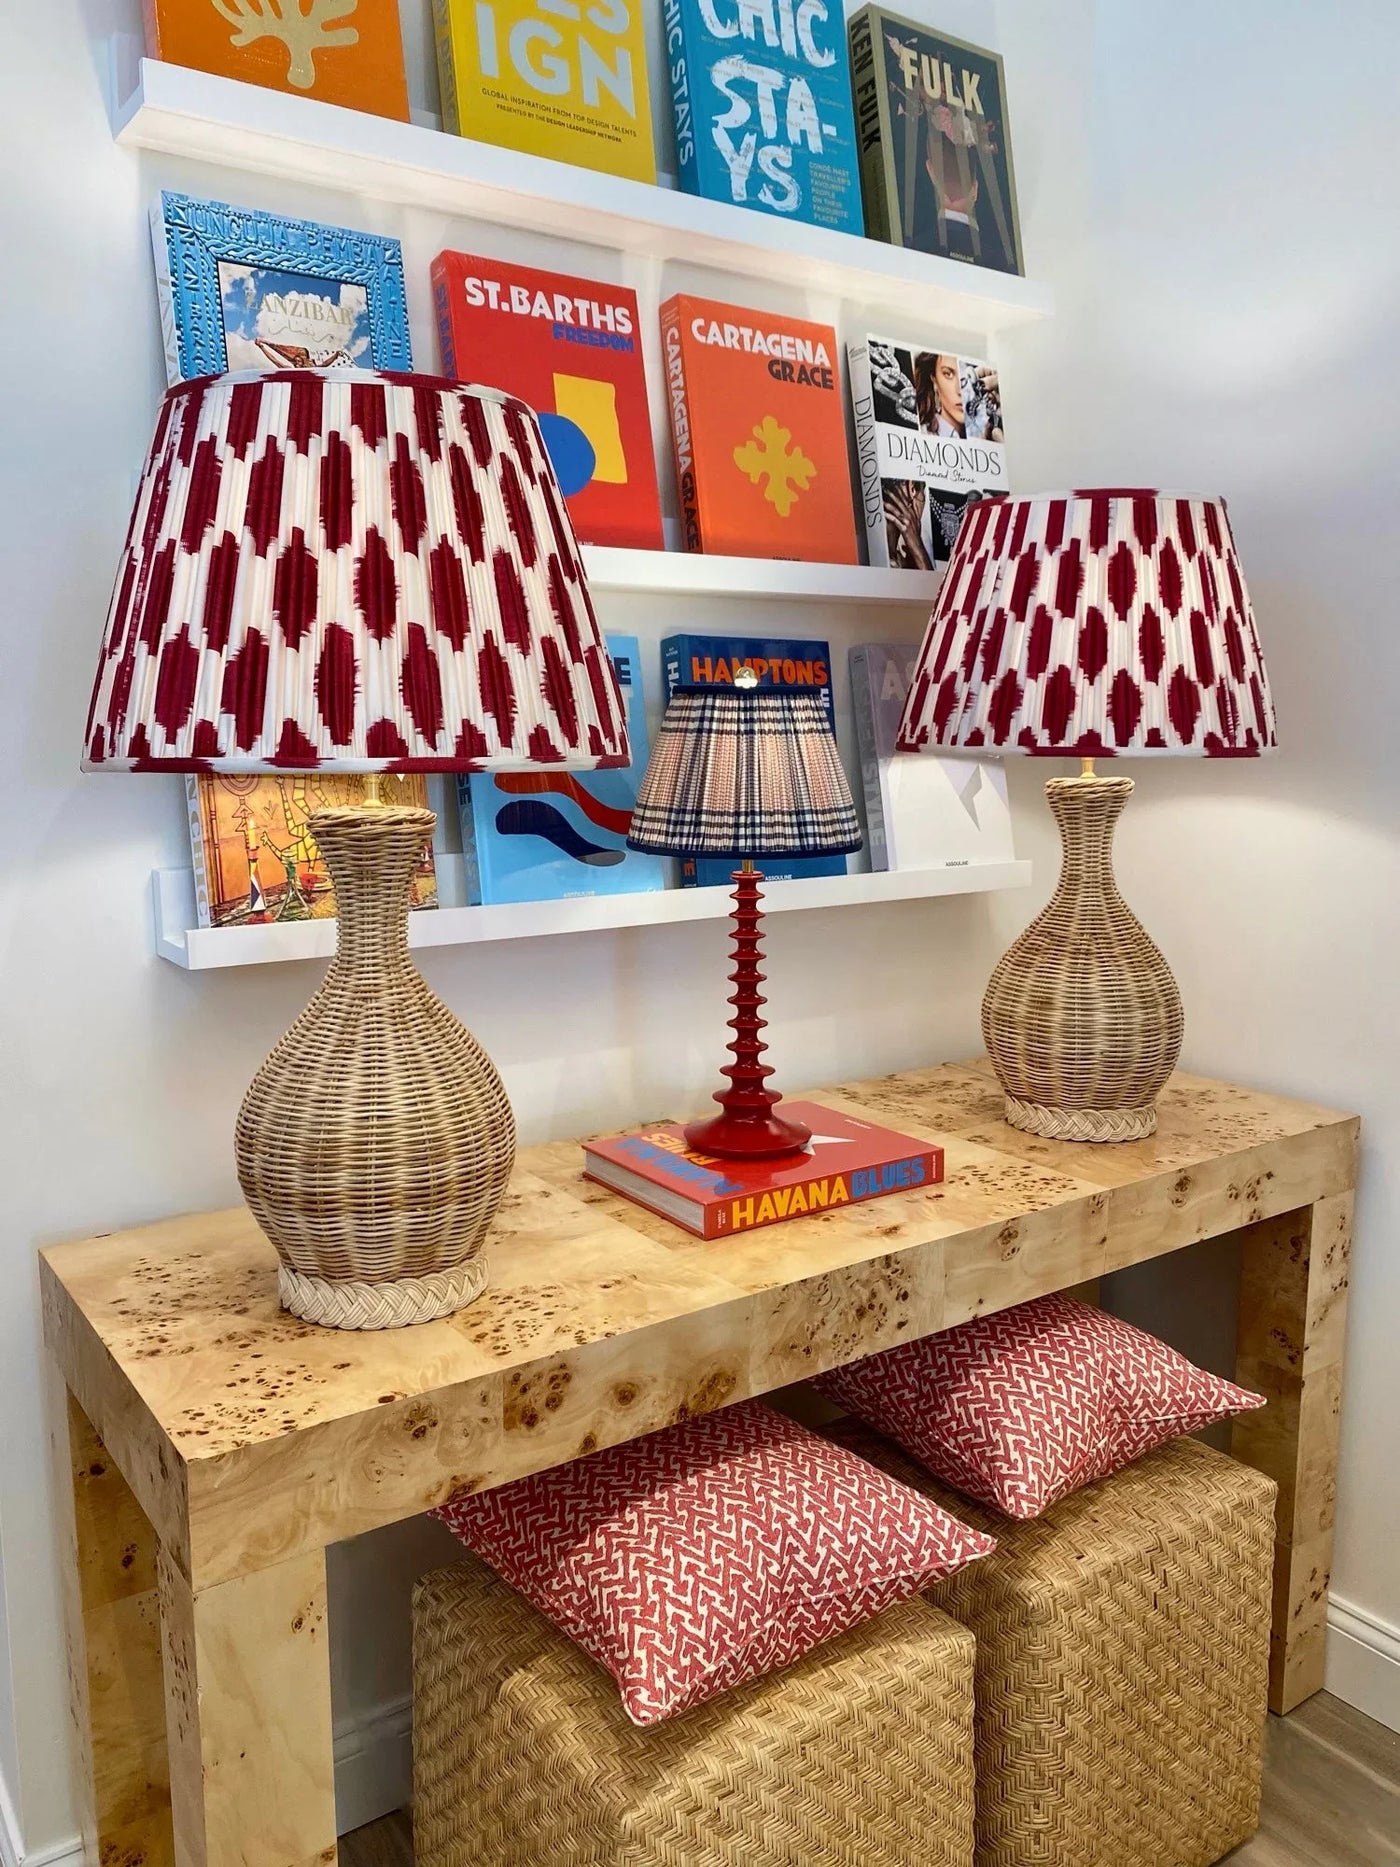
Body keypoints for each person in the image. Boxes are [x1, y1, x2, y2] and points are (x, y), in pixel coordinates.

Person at [912, 352, 966, 436]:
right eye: (948, 374)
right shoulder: (923, 433)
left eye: (966, 376)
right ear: (934, 380)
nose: (960, 391)